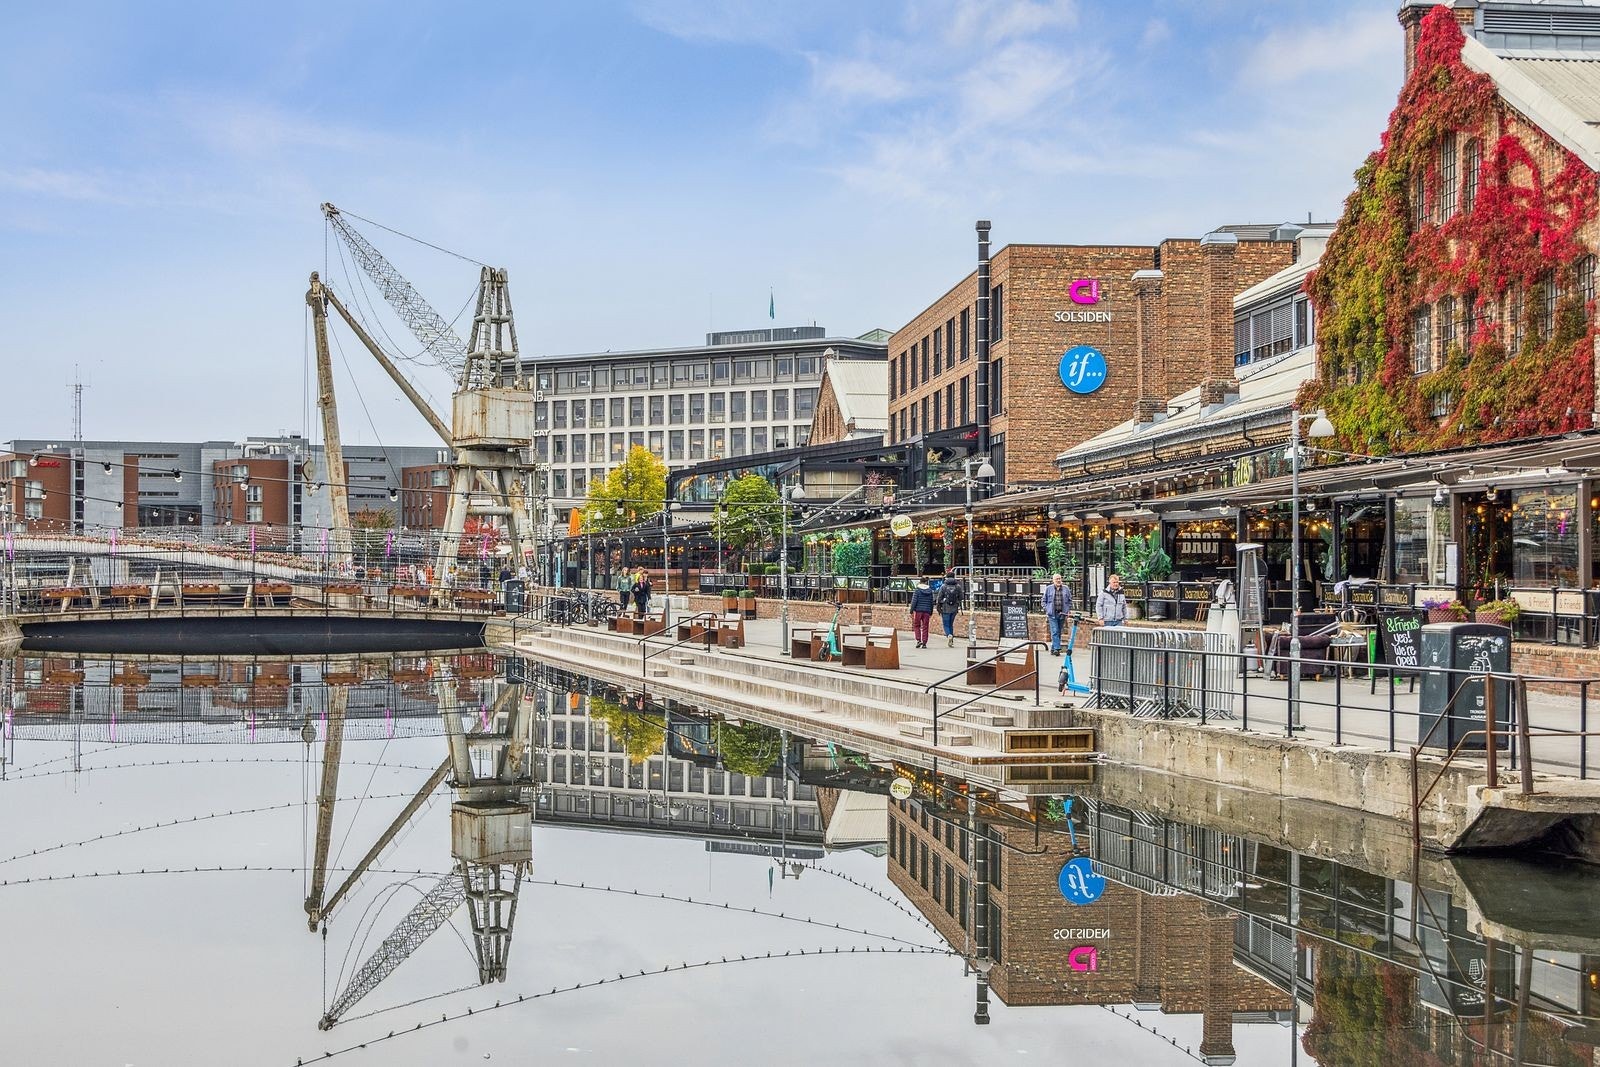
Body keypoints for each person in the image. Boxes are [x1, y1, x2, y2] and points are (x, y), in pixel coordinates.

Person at [1041, 572, 1074, 655]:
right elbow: (1043, 601)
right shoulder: (1049, 589)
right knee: (1055, 630)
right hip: (1052, 613)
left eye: (1059, 578)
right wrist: (1047, 609)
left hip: (1062, 613)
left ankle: (1053, 648)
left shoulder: (1066, 588)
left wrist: (1068, 609)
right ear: (1053, 580)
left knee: (1058, 631)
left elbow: (1070, 600)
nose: (1058, 580)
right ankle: (1057, 649)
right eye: (1057, 579)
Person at [935, 569, 965, 647]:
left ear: (946, 577)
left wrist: (939, 604)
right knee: (951, 624)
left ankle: (949, 635)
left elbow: (939, 598)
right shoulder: (958, 586)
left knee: (946, 624)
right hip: (954, 608)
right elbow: (961, 597)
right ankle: (951, 637)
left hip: (945, 607)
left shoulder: (943, 586)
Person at [908, 574, 935, 649]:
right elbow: (931, 602)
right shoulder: (930, 591)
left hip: (918, 611)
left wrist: (911, 610)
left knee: (917, 625)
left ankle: (918, 640)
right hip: (927, 611)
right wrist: (931, 611)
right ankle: (924, 642)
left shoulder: (917, 590)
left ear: (920, 582)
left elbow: (914, 601)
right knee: (925, 627)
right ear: (926, 582)